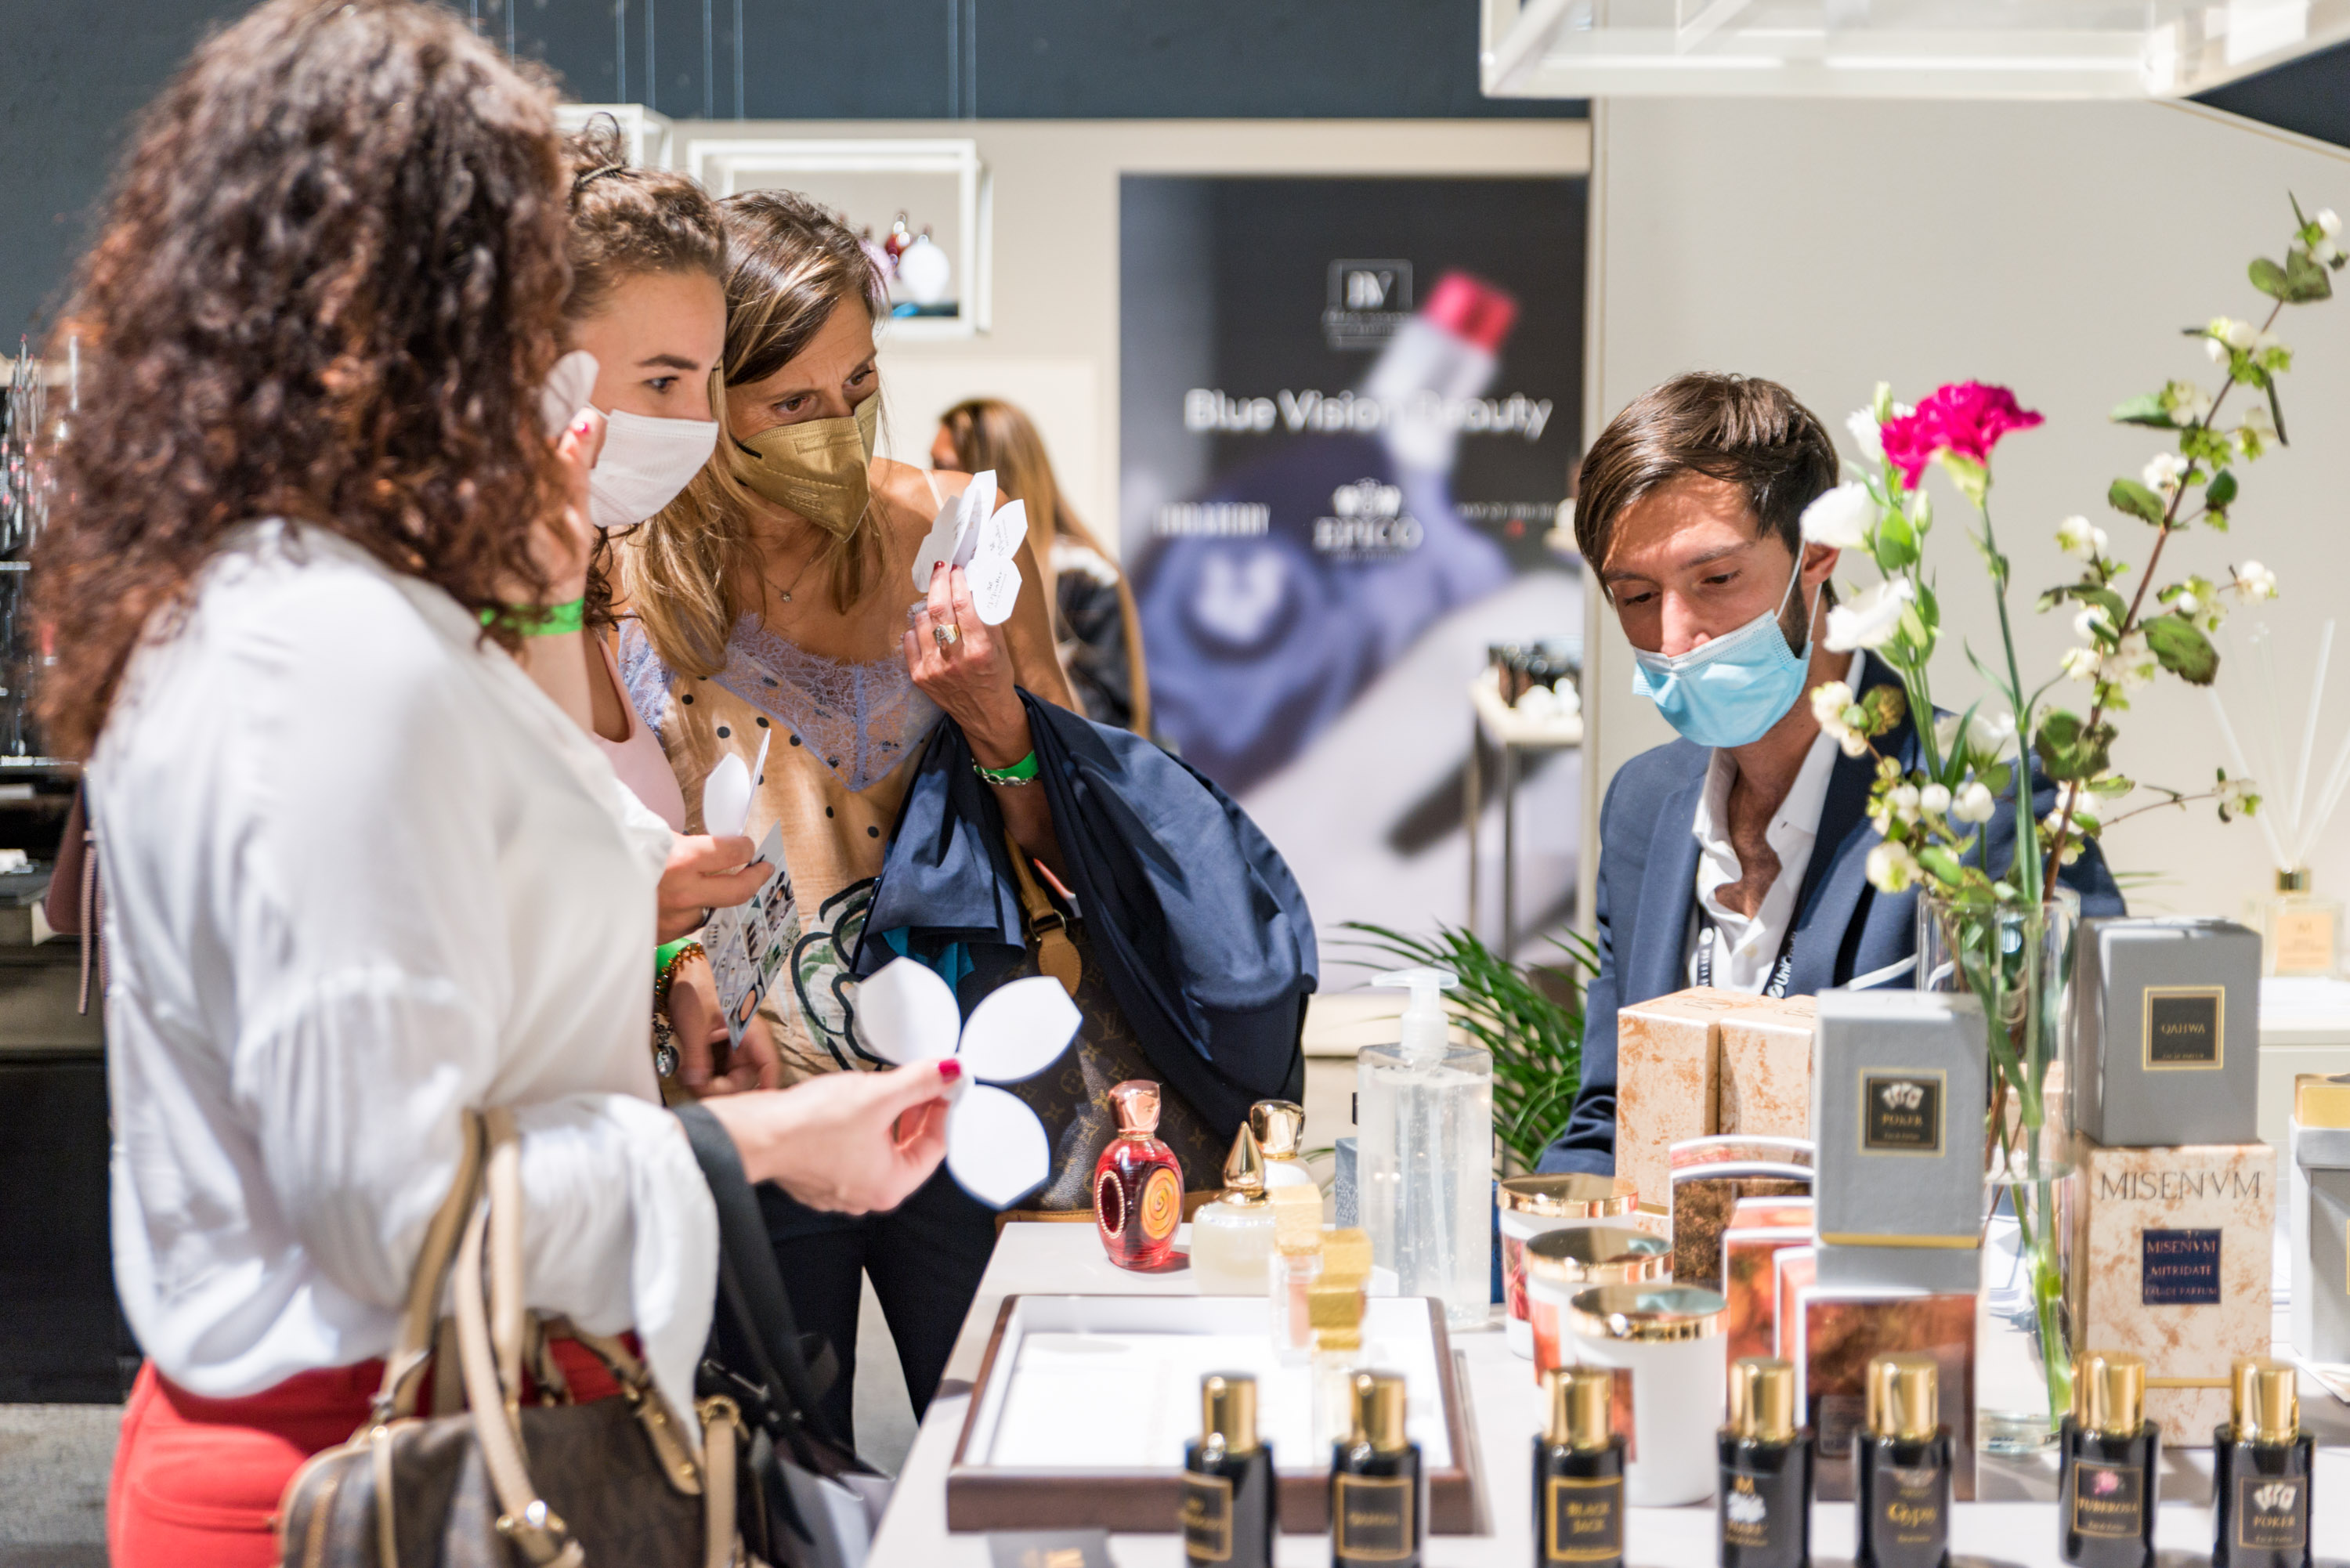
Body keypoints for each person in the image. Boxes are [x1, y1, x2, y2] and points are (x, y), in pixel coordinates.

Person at [34, 7, 953, 1563]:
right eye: (528, 280)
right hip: (381, 1472)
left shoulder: (324, 606)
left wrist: (635, 981)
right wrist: (765, 1146)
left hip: (463, 1436)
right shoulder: (321, 649)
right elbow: (393, 1211)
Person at [615, 190, 1081, 1441]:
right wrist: (675, 978)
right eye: (791, 403)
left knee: (1007, 1447)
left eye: (858, 384)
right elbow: (619, 864)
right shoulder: (629, 579)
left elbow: (1070, 841)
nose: (836, 425)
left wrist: (995, 716)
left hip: (967, 1088)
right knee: (772, 1470)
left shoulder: (953, 535)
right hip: (759, 1108)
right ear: (712, 397)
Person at [1537, 373, 2124, 1176]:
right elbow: (1612, 1117)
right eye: (1637, 596)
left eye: (1716, 580)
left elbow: (2071, 1124)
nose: (1674, 638)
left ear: (1815, 554)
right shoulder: (1642, 806)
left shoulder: (1984, 801)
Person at [555, 119, 786, 1091]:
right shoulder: (439, 617)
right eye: (661, 381)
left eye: (708, 382)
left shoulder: (588, 596)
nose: (696, 423)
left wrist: (680, 967)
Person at [932, 398, 1154, 735]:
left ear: (990, 474)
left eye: (943, 466)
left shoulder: (1083, 577)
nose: (931, 481)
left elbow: (1110, 721)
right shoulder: (941, 571)